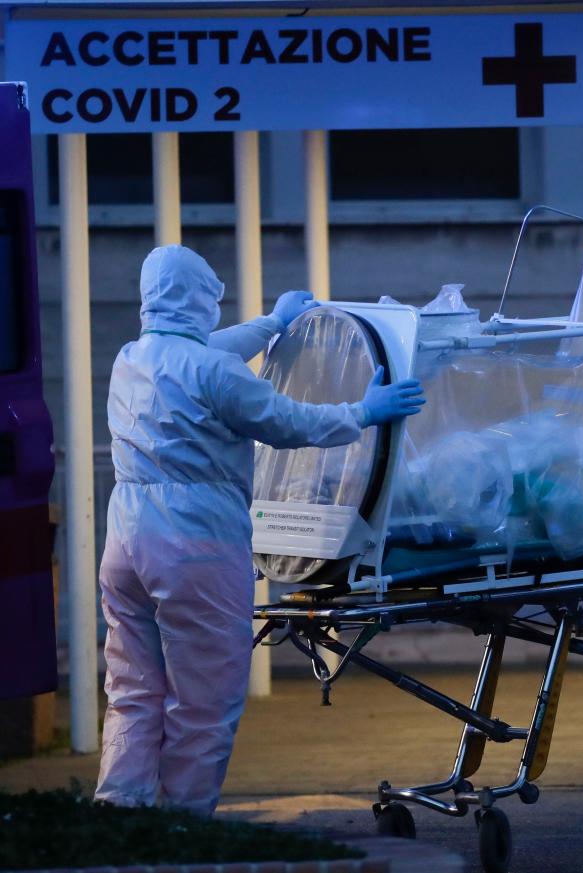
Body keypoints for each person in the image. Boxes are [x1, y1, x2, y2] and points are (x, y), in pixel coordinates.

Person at [95, 245, 425, 817]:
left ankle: (121, 812)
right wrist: (365, 412)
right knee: (204, 697)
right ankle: (182, 828)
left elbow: (203, 354)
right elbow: (287, 422)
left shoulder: (133, 358)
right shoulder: (214, 372)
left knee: (133, 689)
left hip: (124, 541)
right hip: (193, 544)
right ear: (202, 298)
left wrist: (273, 324)